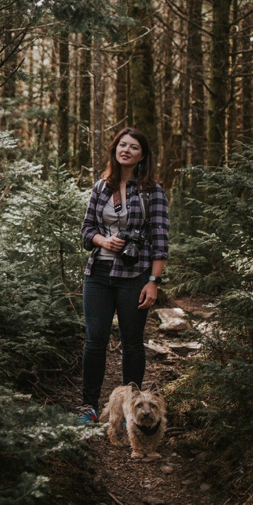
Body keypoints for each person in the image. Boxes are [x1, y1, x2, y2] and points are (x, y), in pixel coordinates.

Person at [76, 127, 169, 423]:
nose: (126, 150)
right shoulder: (102, 186)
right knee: (95, 340)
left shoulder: (152, 191)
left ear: (142, 156)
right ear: (115, 149)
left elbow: (160, 238)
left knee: (131, 342)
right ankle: (88, 407)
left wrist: (153, 283)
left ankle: (133, 408)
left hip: (134, 276)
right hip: (98, 273)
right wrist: (103, 241)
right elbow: (86, 229)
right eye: (122, 145)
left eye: (134, 147)